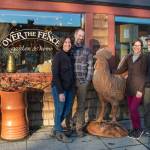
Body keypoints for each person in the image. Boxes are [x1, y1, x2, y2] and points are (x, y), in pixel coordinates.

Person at [116, 39, 147, 139]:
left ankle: (139, 129)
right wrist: (109, 70)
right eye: (135, 45)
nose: (137, 47)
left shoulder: (144, 58)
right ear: (132, 46)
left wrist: (140, 90)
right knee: (131, 109)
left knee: (134, 109)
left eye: (139, 45)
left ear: (141, 47)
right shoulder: (129, 57)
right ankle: (134, 129)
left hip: (138, 88)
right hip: (129, 88)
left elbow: (144, 76)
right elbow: (121, 69)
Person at [51, 36, 75, 143]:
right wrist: (60, 92)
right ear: (62, 43)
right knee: (60, 110)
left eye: (69, 42)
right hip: (59, 88)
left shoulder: (70, 55)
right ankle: (59, 133)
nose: (68, 44)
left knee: (67, 110)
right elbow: (55, 75)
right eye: (65, 42)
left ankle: (55, 128)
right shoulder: (58, 56)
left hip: (70, 88)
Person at [71, 28, 93, 137]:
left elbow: (90, 67)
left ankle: (79, 128)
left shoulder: (87, 50)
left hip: (82, 82)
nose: (81, 37)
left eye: (82, 36)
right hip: (70, 82)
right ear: (75, 35)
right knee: (68, 105)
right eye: (79, 35)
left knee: (81, 105)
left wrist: (87, 80)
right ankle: (68, 126)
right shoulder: (70, 49)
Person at [143, 36, 150, 134]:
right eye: (148, 41)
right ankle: (148, 128)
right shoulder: (144, 56)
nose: (149, 43)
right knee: (147, 108)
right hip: (147, 86)